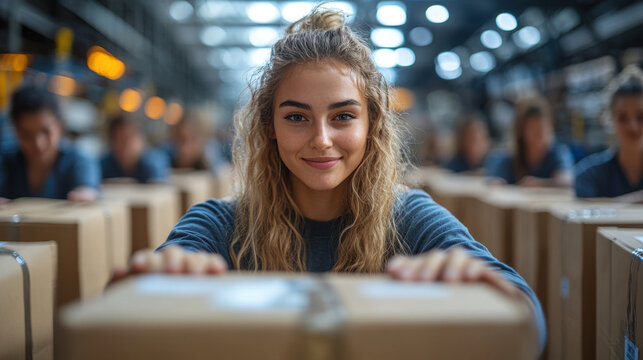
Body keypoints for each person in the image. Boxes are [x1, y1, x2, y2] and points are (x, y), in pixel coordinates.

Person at [120, 9, 545, 351]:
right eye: (296, 117)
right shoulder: (220, 224)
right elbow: (125, 318)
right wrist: (158, 279)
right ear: (270, 125)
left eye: (342, 116)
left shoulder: (409, 216)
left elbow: (531, 321)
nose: (321, 140)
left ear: (371, 124)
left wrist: (478, 284)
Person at [0, 85, 99, 201]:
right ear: (15, 131)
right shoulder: (5, 160)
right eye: (26, 135)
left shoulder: (78, 162)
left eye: (46, 132)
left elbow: (88, 190)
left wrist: (86, 194)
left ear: (60, 127)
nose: (38, 144)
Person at [575, 70, 643, 201]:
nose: (633, 126)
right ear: (611, 119)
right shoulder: (589, 175)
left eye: (640, 117)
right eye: (623, 118)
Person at [491, 97, 574, 187]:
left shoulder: (558, 153)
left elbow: (567, 180)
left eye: (543, 129)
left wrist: (542, 183)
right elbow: (496, 180)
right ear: (522, 132)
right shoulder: (513, 158)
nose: (540, 134)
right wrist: (497, 183)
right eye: (533, 130)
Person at [101, 114, 169, 184]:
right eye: (120, 139)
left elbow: (158, 188)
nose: (126, 144)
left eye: (130, 137)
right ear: (111, 141)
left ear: (141, 139)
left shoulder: (152, 164)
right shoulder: (103, 166)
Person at [163, 113, 229, 173]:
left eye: (191, 139)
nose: (184, 148)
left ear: (201, 140)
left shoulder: (208, 156)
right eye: (180, 139)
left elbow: (223, 171)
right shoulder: (167, 158)